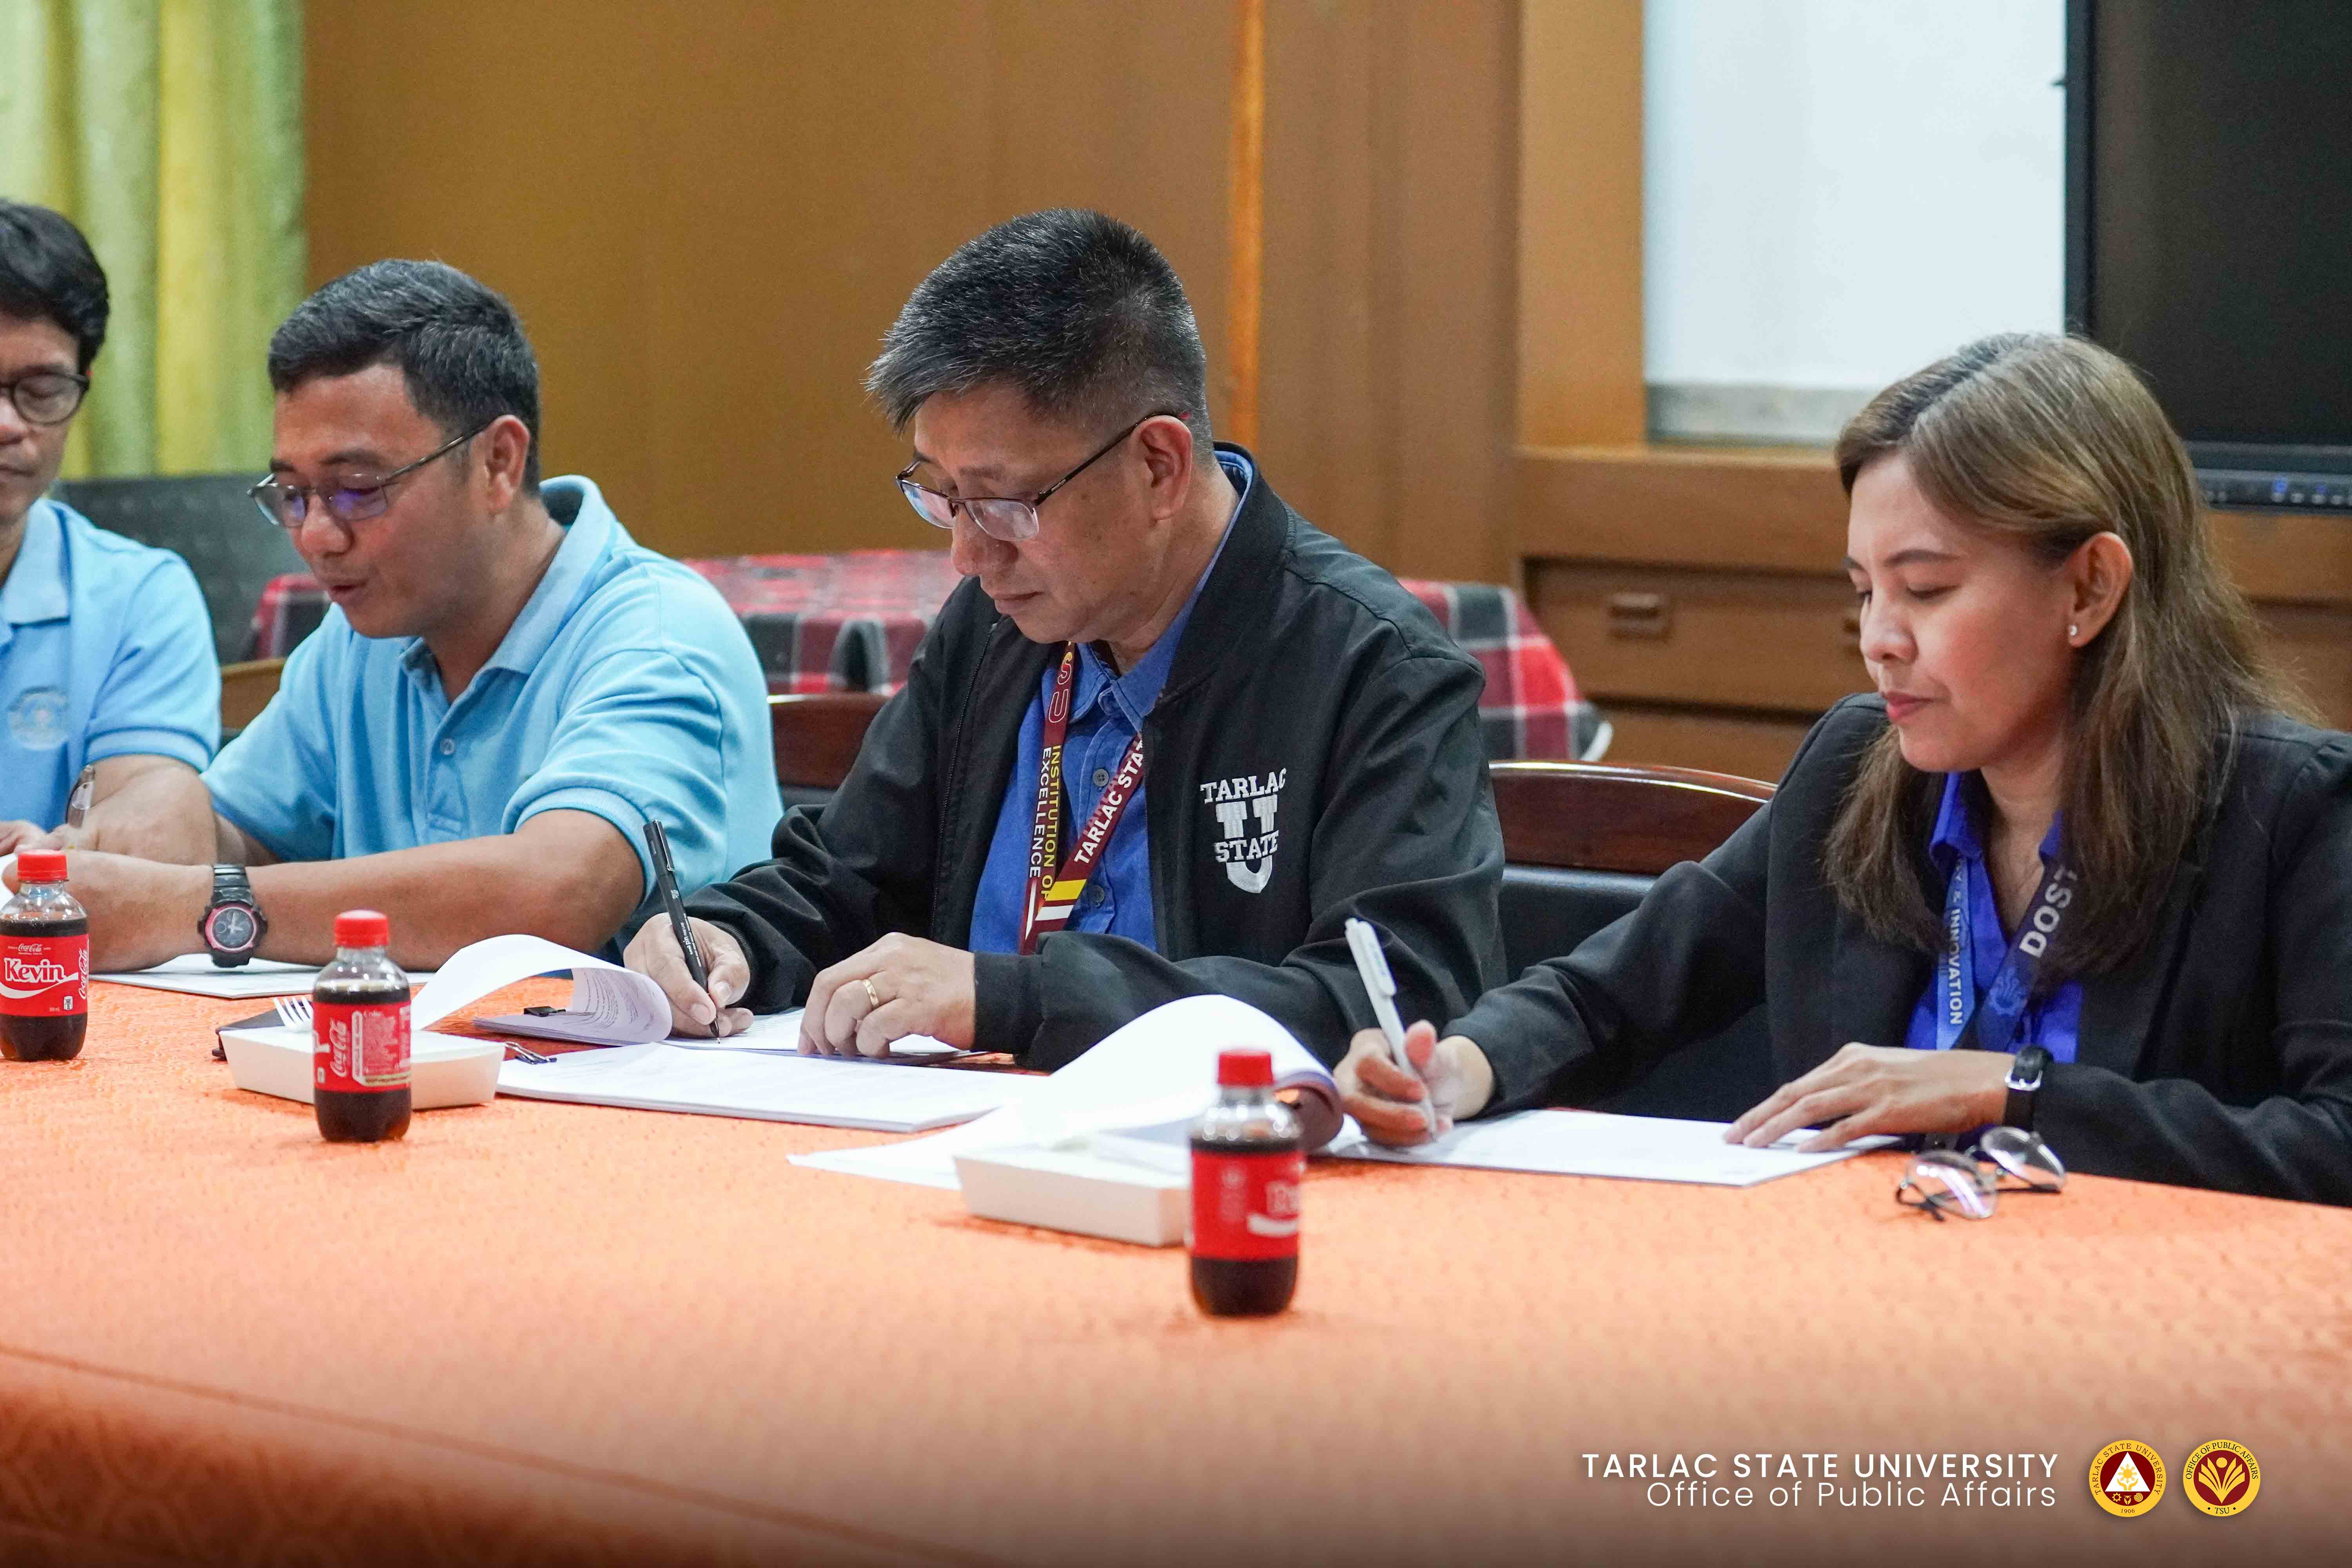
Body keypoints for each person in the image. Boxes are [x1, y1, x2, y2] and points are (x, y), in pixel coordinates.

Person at [1339, 332, 2352, 1205]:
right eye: (1866, 592)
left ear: (2089, 587)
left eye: (1927, 590)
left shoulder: (2291, 811)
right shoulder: (1856, 767)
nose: (1880, 641)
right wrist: (1458, 1069)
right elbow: (1608, 996)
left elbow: (2335, 1141)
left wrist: (2012, 1091)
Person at [627, 209, 1504, 1069]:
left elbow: (1397, 998)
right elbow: (848, 880)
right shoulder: (999, 626)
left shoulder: (1372, 666)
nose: (970, 555)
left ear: (1159, 465)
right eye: (941, 495)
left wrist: (1013, 998)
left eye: (1005, 503)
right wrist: (726, 935)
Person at [7, 260, 780, 969]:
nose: (316, 536)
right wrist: (139, 831)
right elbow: (240, 835)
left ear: (498, 462)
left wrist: (198, 905)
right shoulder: (365, 636)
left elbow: (556, 890)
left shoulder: (658, 634)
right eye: (293, 494)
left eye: (358, 489)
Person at [0, 201, 217, 861]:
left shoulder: (138, 599)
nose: (8, 424)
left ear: (82, 387)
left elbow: (157, 823)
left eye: (41, 389)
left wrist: (63, 858)